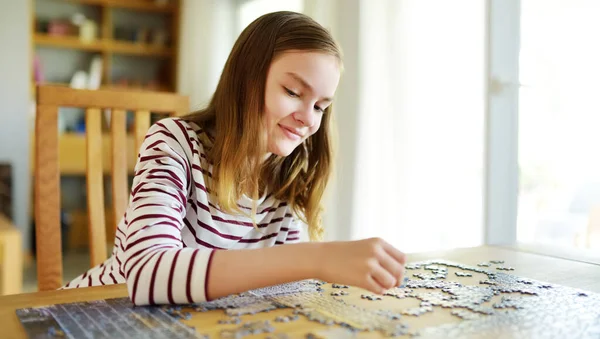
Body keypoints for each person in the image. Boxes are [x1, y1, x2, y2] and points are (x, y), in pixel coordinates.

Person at [64, 11, 407, 306]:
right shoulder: (173, 141)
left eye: (320, 106)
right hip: (92, 312)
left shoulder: (288, 173)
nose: (309, 119)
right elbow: (148, 272)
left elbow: (284, 289)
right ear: (246, 80)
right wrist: (318, 257)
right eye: (292, 92)